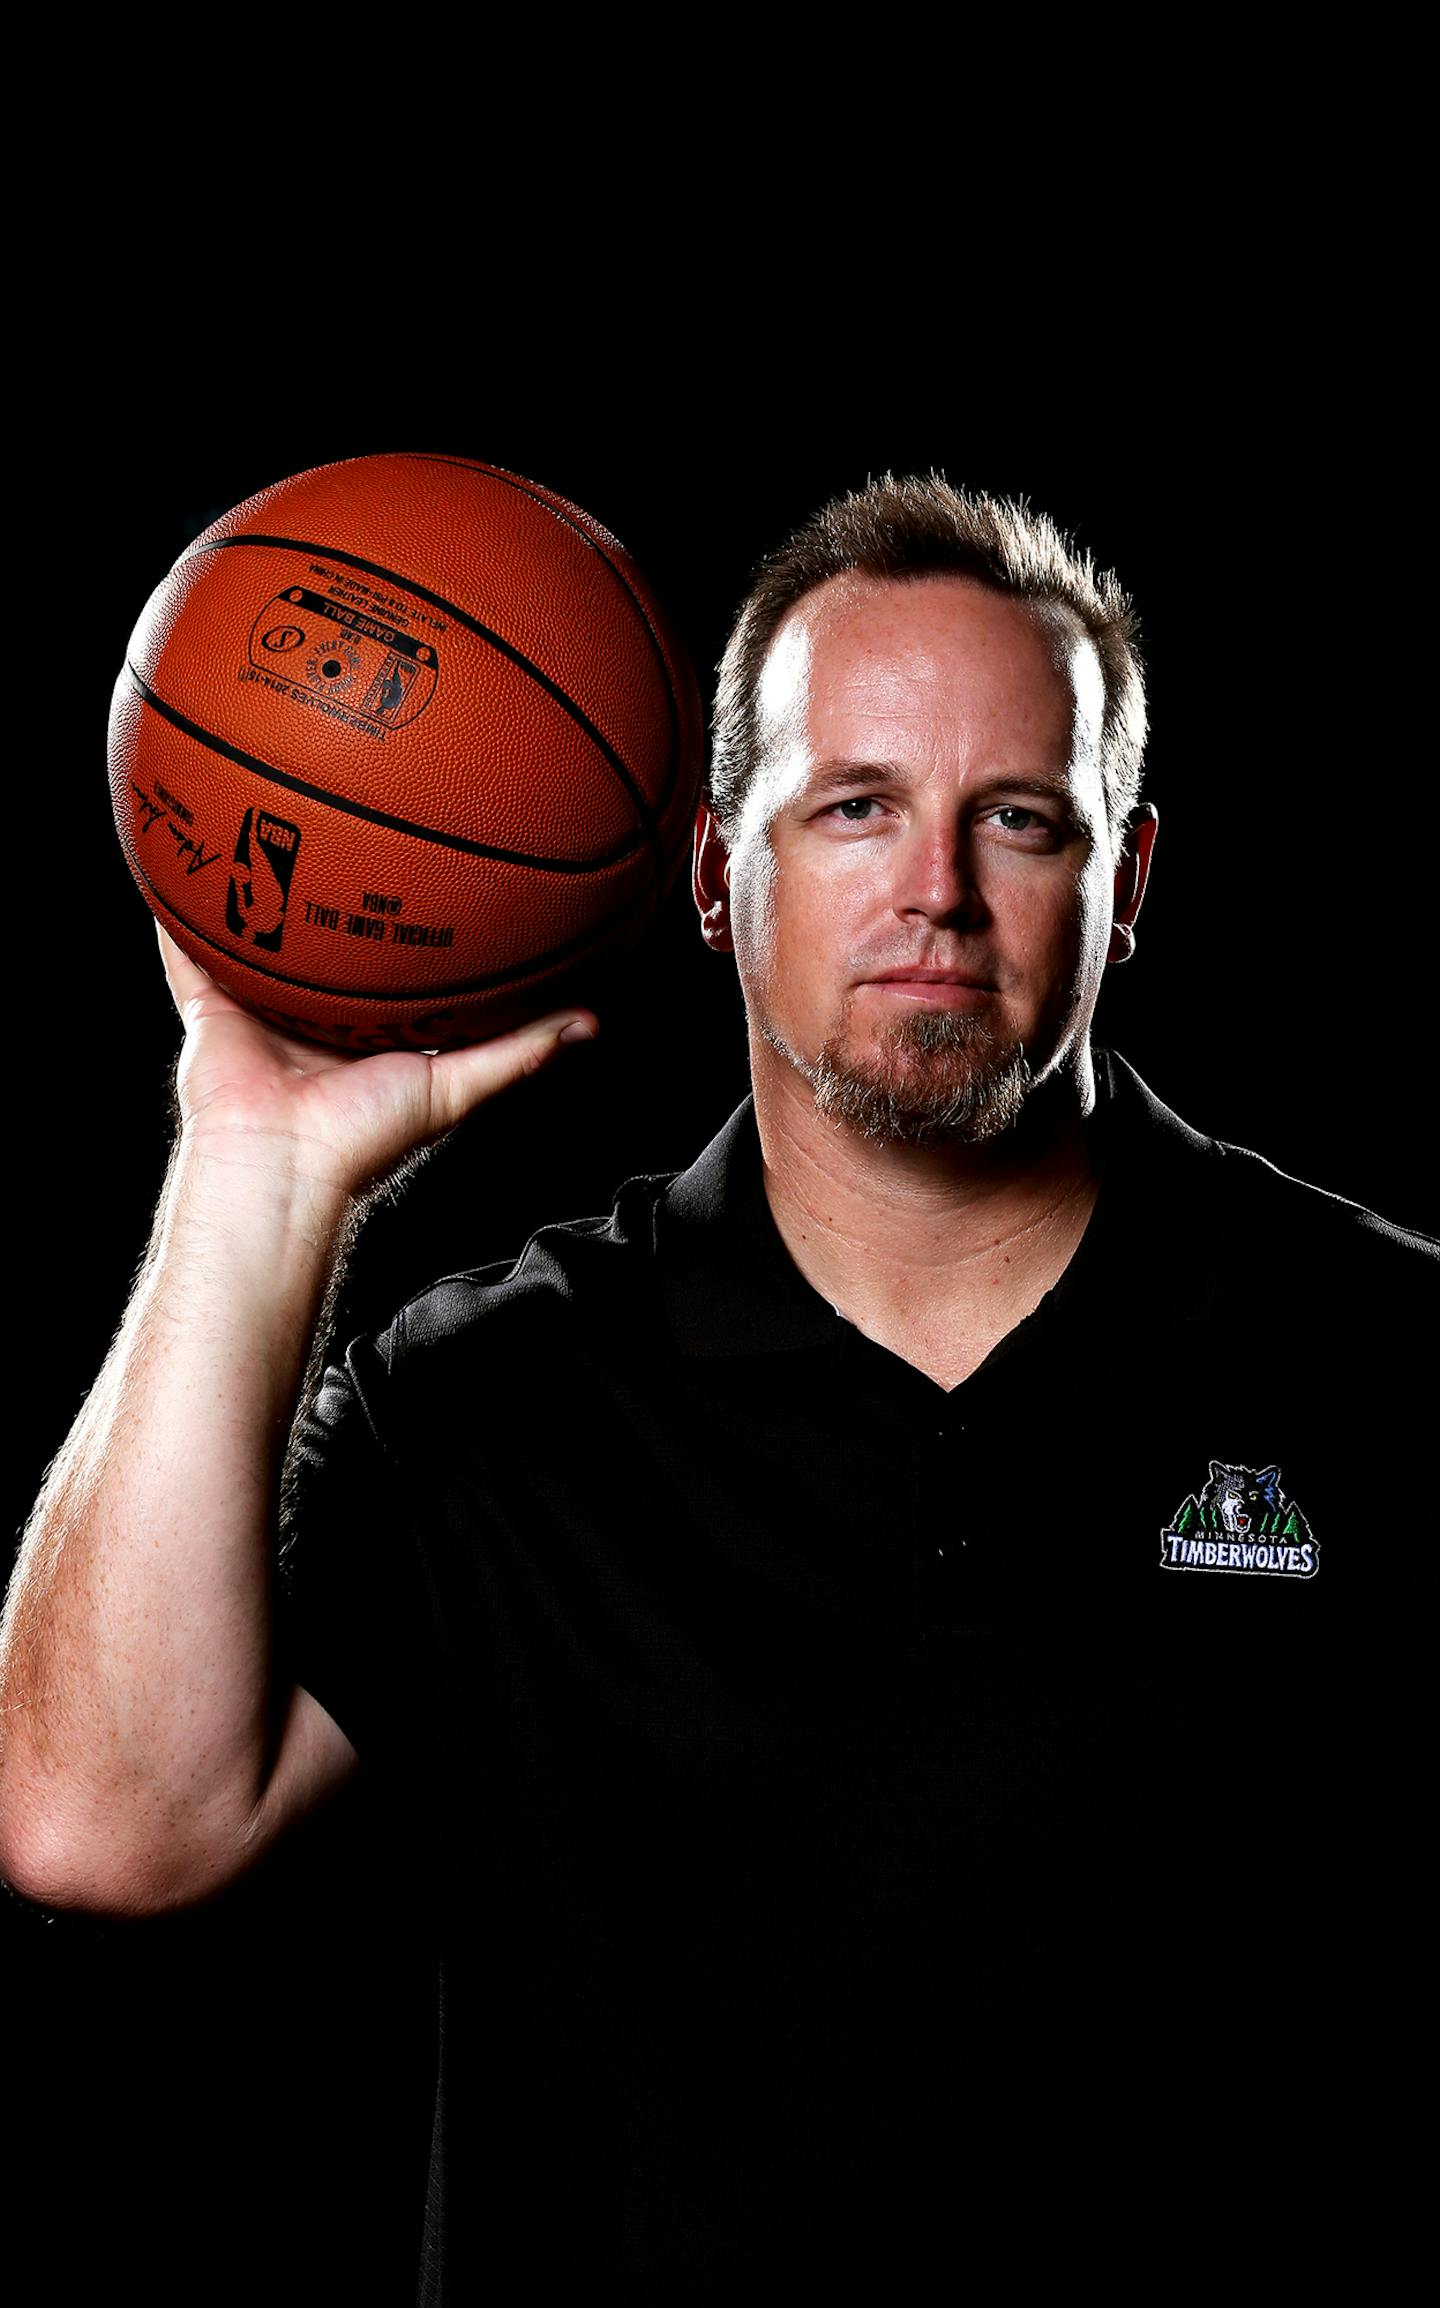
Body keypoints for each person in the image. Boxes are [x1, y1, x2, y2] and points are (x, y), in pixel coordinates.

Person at [2, 475, 1432, 2299]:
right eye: (855, 809)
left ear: (1128, 882)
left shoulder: (1383, 1358)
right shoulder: (498, 1392)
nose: (938, 892)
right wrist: (254, 1169)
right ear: (711, 877)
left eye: (1020, 819)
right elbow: (105, 1826)